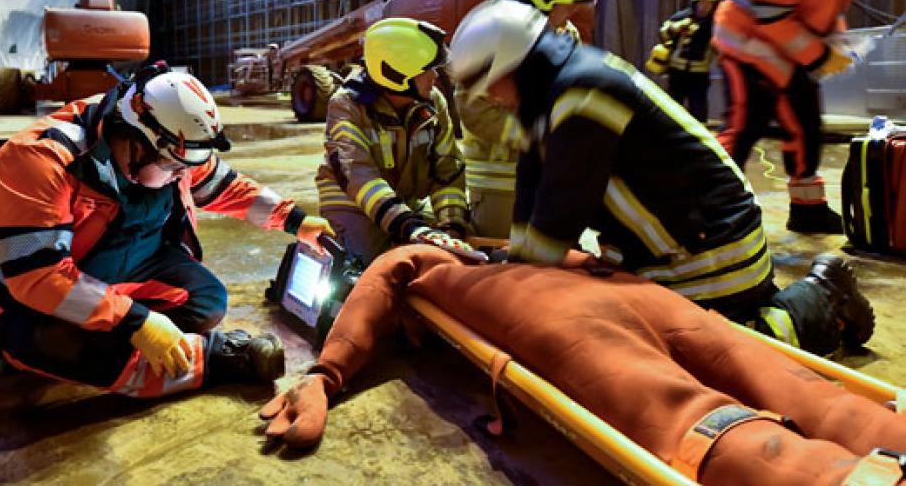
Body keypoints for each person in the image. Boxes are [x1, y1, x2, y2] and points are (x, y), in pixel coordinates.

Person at [259, 245, 906, 486]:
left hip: (580, 312)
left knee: (702, 424)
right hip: (617, 292)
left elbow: (387, 269)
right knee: (807, 397)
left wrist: (327, 372)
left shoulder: (447, 267)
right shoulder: (503, 248)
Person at [446, 0, 874, 357]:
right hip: (674, 245)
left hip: (710, 249)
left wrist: (512, 289)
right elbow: (532, 189)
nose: (491, 98)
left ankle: (821, 298)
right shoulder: (551, 99)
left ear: (510, 66)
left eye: (489, 85)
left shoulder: (583, 92)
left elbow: (562, 206)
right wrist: (514, 266)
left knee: (697, 355)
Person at [0, 62, 333, 409]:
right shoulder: (40, 161)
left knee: (208, 303)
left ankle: (110, 338)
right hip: (9, 296)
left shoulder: (161, 141)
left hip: (97, 262)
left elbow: (222, 184)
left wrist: (295, 221)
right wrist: (136, 322)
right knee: (55, 343)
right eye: (174, 167)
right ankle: (216, 360)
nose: (183, 177)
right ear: (134, 141)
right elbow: (38, 276)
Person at [712, 0, 880, 233]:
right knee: (746, 124)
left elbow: (829, 8)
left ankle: (808, 210)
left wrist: (835, 44)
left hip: (785, 45)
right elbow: (767, 14)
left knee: (806, 126)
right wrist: (819, 56)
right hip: (746, 43)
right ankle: (705, 206)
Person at [458, 0, 601, 237]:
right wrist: (532, 137)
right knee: (503, 271)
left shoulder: (564, 32)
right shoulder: (492, 27)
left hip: (548, 178)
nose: (574, 9)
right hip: (499, 184)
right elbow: (472, 107)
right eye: (569, 1)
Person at [314, 17, 475, 265]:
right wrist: (408, 226)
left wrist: (451, 225)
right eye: (427, 69)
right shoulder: (346, 104)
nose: (435, 75)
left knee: (447, 256)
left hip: (406, 206)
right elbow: (358, 175)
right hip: (353, 207)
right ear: (398, 73)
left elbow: (448, 171)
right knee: (364, 271)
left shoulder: (433, 103)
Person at [657, 0, 719, 123]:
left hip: (699, 74)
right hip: (677, 71)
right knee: (672, 108)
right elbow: (662, 33)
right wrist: (675, 29)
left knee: (698, 110)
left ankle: (697, 138)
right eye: (701, 3)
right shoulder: (682, 17)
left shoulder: (715, 24)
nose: (703, 7)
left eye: (708, 4)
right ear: (695, 3)